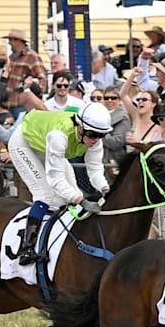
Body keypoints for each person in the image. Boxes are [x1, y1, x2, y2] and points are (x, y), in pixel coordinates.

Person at [6, 102, 113, 265]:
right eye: (92, 134)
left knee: (72, 191)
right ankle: (26, 249)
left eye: (101, 135)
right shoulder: (59, 135)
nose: (96, 140)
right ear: (81, 127)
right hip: (24, 143)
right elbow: (55, 180)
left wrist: (106, 189)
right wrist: (81, 201)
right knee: (45, 194)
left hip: (45, 145)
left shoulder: (94, 139)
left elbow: (95, 170)